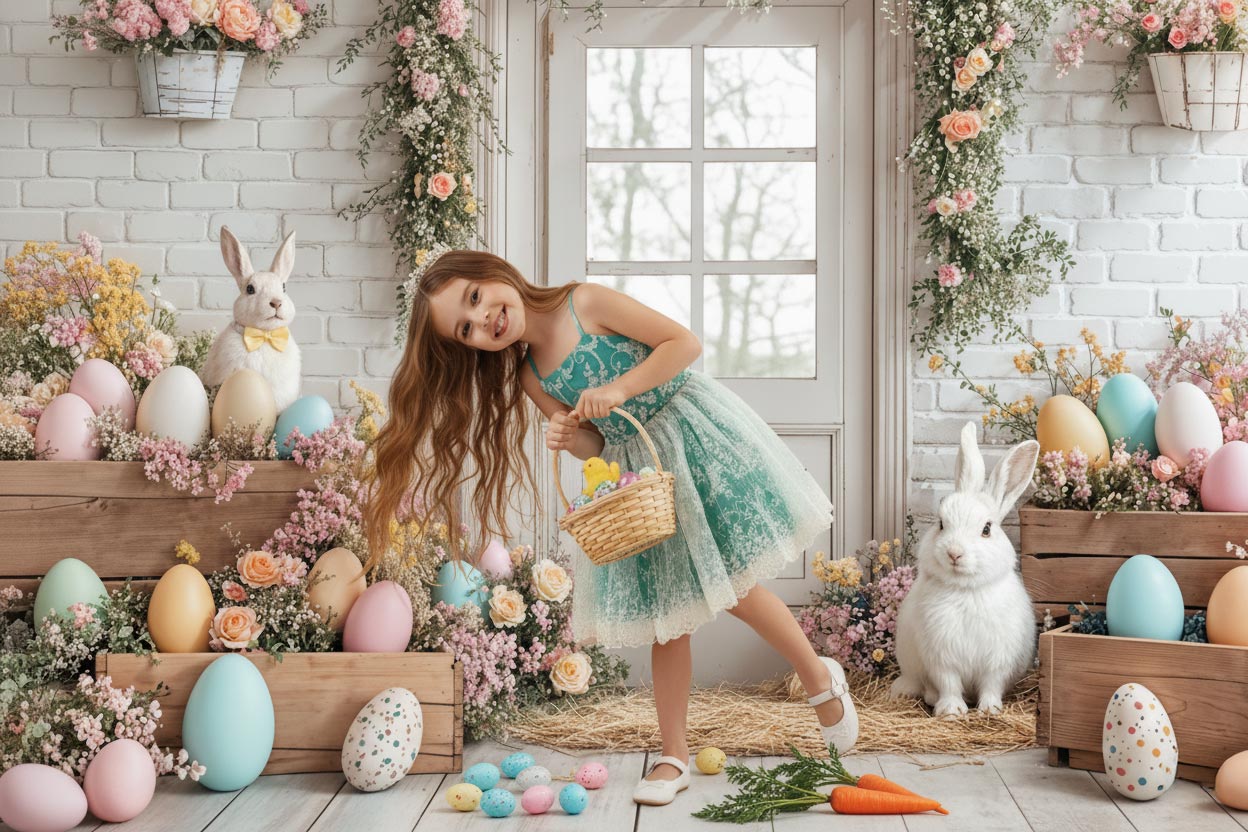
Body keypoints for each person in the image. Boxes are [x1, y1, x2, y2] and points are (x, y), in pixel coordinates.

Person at [364, 249, 856, 806]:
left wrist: (619, 389)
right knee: (668, 616)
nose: (484, 321)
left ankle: (818, 678)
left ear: (493, 273)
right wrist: (569, 437)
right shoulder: (531, 376)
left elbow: (684, 344)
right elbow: (596, 443)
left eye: (476, 299)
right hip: (637, 475)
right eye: (466, 329)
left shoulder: (585, 303)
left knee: (735, 584)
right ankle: (673, 753)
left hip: (690, 439)